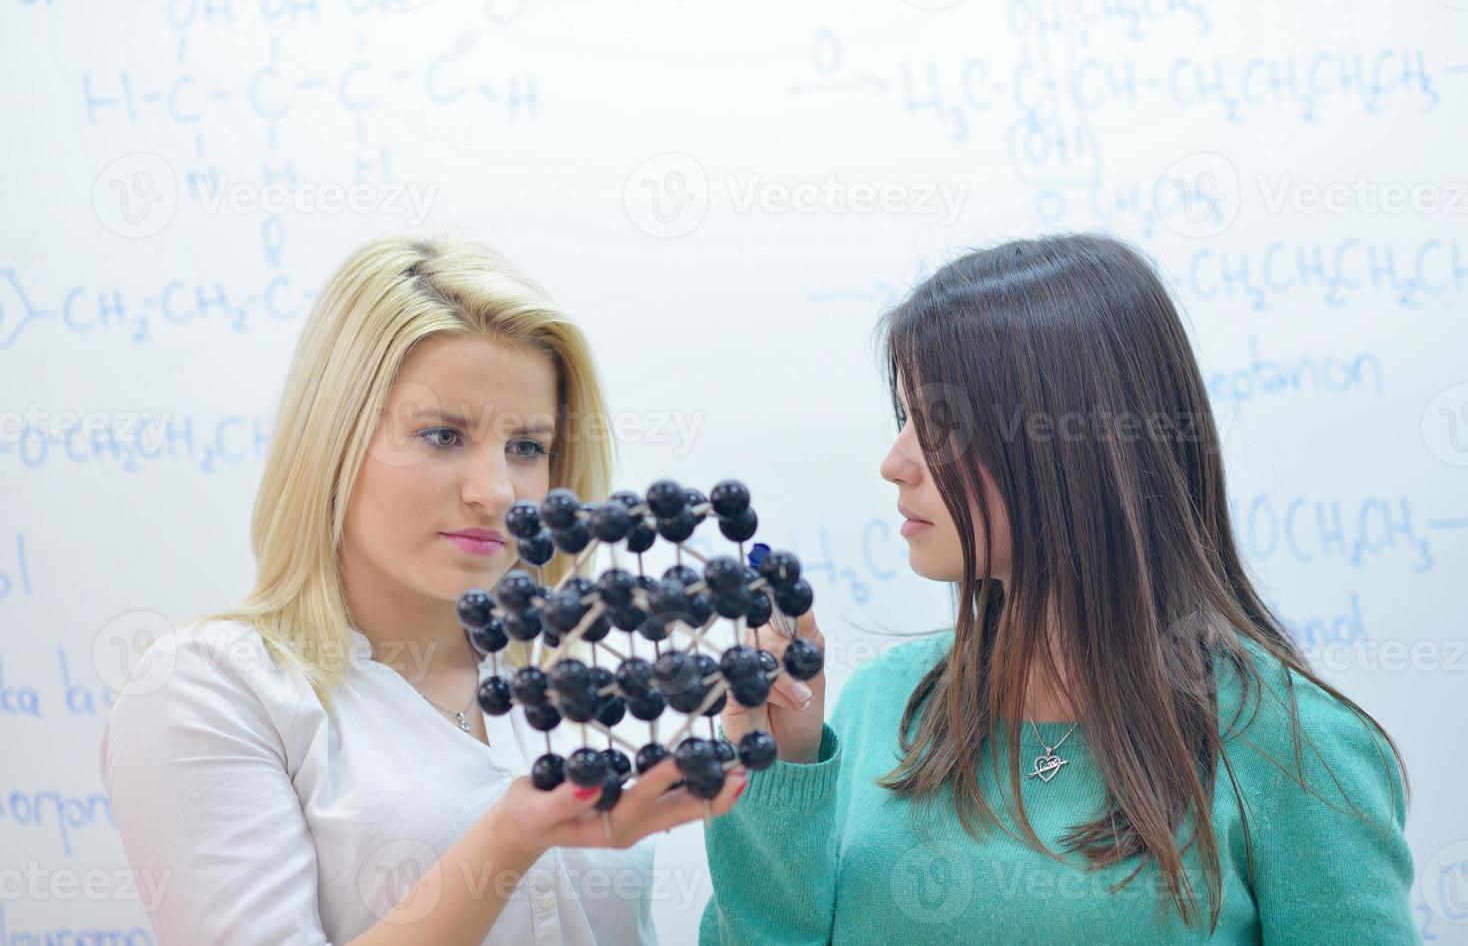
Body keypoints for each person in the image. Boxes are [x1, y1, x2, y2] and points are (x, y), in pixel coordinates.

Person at [704, 233, 1417, 944]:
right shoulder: (879, 705)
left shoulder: (1296, 748)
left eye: (940, 424)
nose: (895, 462)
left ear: (1077, 444)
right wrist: (781, 771)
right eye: (903, 419)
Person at [99, 236, 745, 946]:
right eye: (442, 436)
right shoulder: (214, 688)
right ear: (335, 440)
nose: (495, 492)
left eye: (526, 447)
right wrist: (508, 838)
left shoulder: (578, 683)